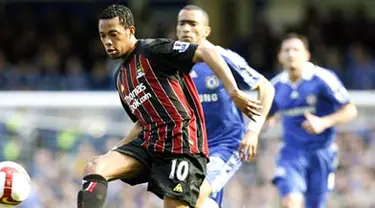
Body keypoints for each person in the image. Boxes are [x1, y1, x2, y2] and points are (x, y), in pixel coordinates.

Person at [77, 4, 262, 208]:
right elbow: (141, 122)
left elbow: (206, 52)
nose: (107, 42)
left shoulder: (153, 50)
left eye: (113, 34)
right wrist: (117, 148)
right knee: (95, 167)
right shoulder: (121, 77)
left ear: (130, 31)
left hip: (182, 146)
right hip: (150, 144)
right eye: (103, 36)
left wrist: (234, 91)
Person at [176, 5, 275, 208]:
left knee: (191, 196)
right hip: (189, 150)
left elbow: (265, 87)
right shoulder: (170, 63)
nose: (186, 29)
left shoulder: (221, 57)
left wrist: (253, 131)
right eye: (182, 23)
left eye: (193, 24)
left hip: (225, 144)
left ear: (206, 31)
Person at [268, 33, 358, 208]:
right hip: (291, 153)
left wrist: (323, 122)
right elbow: (267, 117)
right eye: (286, 50)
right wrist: (256, 133)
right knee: (290, 202)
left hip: (321, 152)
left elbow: (350, 110)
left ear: (307, 55)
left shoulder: (322, 78)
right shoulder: (275, 86)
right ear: (280, 56)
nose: (291, 54)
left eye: (296, 50)